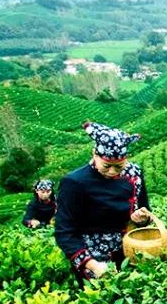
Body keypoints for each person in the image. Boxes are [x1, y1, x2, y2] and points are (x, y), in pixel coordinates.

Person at [55, 122, 153, 285]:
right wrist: (91, 264)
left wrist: (142, 218)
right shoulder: (74, 182)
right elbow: (64, 231)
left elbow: (145, 210)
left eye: (119, 167)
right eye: (107, 166)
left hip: (131, 250)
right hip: (94, 258)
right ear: (94, 154)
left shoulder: (135, 173)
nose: (112, 172)